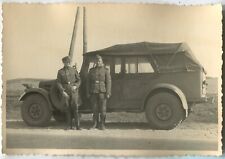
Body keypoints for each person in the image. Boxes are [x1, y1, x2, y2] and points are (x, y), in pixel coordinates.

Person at [86, 55, 111, 130]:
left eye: (99, 61)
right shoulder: (91, 71)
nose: (98, 62)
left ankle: (102, 124)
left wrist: (108, 92)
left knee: (103, 109)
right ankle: (95, 124)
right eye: (96, 61)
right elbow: (88, 82)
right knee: (94, 109)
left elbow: (108, 82)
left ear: (102, 61)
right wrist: (87, 92)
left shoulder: (106, 70)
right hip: (93, 91)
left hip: (102, 92)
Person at [57, 56, 81, 130]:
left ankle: (77, 126)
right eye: (65, 62)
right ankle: (68, 125)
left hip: (73, 91)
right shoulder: (60, 71)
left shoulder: (74, 70)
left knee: (75, 108)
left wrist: (76, 86)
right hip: (66, 92)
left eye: (68, 62)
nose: (67, 64)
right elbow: (58, 82)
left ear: (70, 62)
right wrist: (62, 91)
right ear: (63, 63)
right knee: (67, 108)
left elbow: (79, 80)